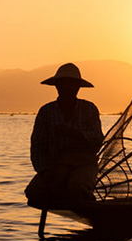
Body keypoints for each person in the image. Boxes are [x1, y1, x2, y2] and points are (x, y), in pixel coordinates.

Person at [25, 63, 104, 207]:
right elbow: (37, 147)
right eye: (63, 84)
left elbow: (98, 140)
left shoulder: (89, 109)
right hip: (57, 164)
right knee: (33, 192)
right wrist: (44, 171)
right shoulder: (46, 112)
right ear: (57, 86)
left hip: (84, 163)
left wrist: (76, 134)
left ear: (78, 87)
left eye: (72, 84)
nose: (67, 88)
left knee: (78, 186)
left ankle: (89, 208)